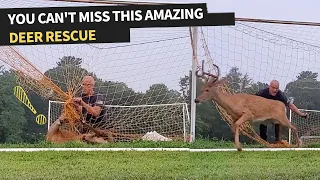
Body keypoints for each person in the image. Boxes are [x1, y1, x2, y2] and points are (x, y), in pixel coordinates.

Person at [46, 75, 108, 143]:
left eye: (86, 85)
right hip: (84, 127)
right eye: (83, 84)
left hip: (98, 127)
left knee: (90, 139)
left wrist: (82, 102)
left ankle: (101, 140)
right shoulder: (81, 97)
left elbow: (95, 113)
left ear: (91, 86)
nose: (83, 87)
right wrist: (69, 110)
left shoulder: (98, 96)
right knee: (59, 132)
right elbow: (79, 113)